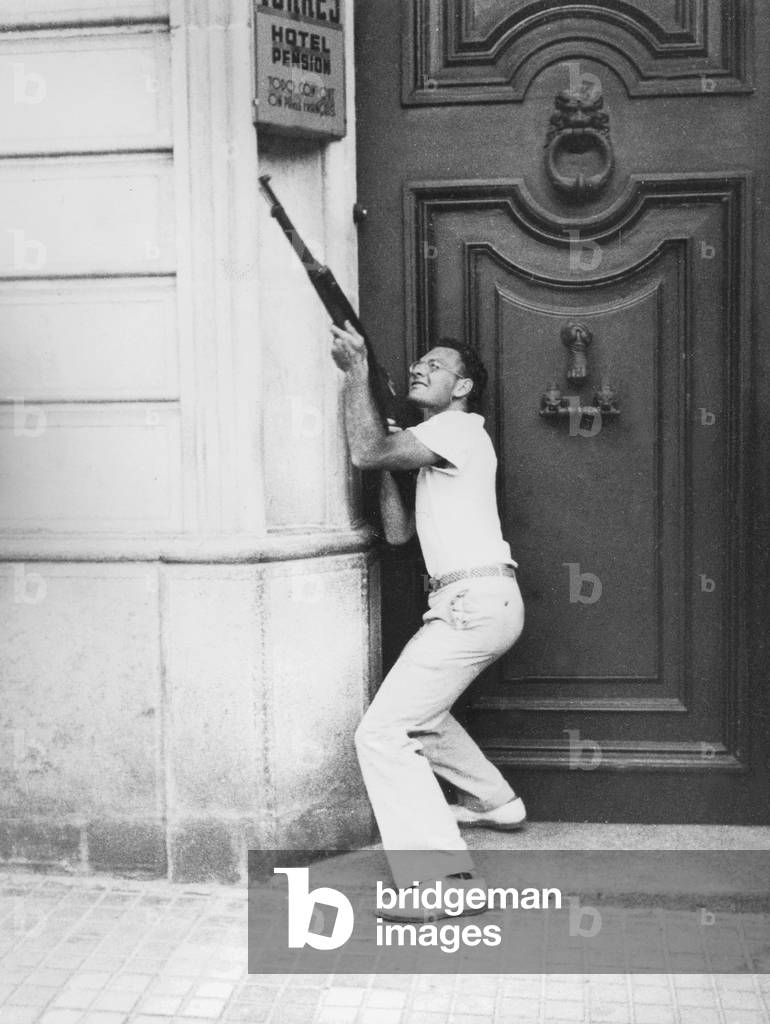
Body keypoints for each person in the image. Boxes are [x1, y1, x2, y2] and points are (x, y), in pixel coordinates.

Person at [330, 321, 526, 922]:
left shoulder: (460, 429)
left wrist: (356, 376)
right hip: (476, 603)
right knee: (423, 715)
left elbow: (364, 451)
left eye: (435, 366)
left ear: (463, 386)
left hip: (472, 604)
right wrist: (396, 458)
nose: (419, 369)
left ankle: (445, 885)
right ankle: (497, 802)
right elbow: (397, 534)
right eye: (417, 363)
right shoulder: (438, 443)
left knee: (381, 734)